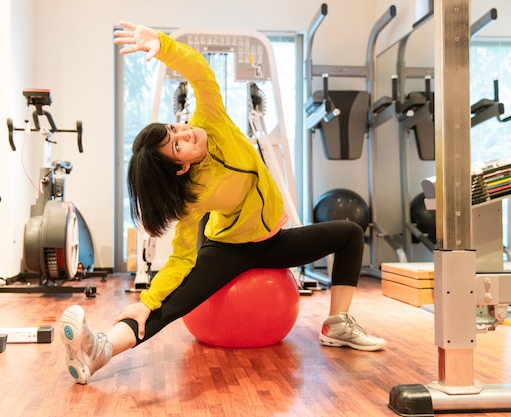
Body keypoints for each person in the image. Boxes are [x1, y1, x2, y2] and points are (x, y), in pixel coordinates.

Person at [59, 20, 386, 385]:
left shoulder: (210, 120)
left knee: (350, 233)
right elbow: (182, 257)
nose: (185, 133)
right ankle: (101, 348)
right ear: (180, 168)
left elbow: (200, 74)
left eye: (174, 131)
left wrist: (163, 45)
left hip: (274, 241)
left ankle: (337, 324)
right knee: (170, 303)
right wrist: (148, 300)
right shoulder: (191, 196)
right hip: (228, 249)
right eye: (177, 144)